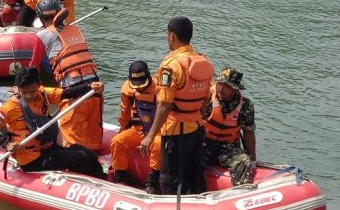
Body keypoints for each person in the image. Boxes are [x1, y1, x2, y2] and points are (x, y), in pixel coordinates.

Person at [0, 67, 104, 177]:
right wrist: (7, 144)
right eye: (24, 92)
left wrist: (89, 87)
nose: (29, 96)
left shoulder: (43, 94)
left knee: (88, 154)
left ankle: (103, 179)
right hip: (31, 159)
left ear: (38, 86)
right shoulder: (11, 107)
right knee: (82, 158)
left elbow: (67, 93)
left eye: (32, 91)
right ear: (18, 89)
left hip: (47, 149)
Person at [139, 16, 214, 196]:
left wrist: (150, 136)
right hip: (196, 130)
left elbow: (165, 105)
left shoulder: (171, 66)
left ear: (172, 36)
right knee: (193, 176)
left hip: (175, 133)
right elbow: (206, 99)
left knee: (170, 180)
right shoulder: (203, 62)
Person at [34, 0, 102, 151]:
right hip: (96, 89)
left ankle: (75, 165)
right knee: (93, 139)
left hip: (74, 92)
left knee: (69, 139)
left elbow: (33, 65)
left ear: (40, 17)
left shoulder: (43, 36)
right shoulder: (75, 29)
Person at [202, 67, 257, 186]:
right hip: (203, 144)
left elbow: (248, 133)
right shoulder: (206, 97)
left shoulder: (245, 106)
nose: (221, 89)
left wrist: (253, 160)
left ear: (235, 89)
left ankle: (240, 192)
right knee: (189, 159)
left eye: (226, 86)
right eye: (219, 84)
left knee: (243, 161)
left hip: (228, 147)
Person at [109, 61, 161, 185]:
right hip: (138, 130)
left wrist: (150, 137)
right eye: (136, 85)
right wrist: (122, 128)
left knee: (158, 145)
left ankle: (153, 180)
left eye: (142, 84)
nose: (139, 88)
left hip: (157, 132)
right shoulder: (128, 89)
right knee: (117, 141)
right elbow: (125, 112)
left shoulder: (159, 89)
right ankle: (121, 176)